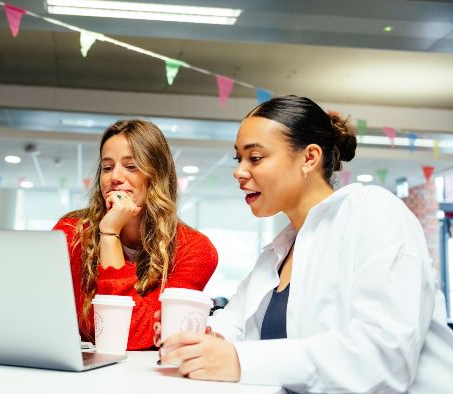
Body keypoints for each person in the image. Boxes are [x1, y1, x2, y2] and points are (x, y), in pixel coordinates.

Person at [157, 95, 453, 393]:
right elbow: (232, 326)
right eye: (239, 159)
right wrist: (191, 337)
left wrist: (238, 360)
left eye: (255, 158)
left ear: (309, 158)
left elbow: (383, 357)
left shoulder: (373, 211)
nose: (239, 171)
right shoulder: (278, 251)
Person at [53, 119, 218, 350]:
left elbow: (130, 334)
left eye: (131, 166)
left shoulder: (195, 249)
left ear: (157, 176)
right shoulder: (71, 232)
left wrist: (110, 235)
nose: (114, 177)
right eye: (107, 167)